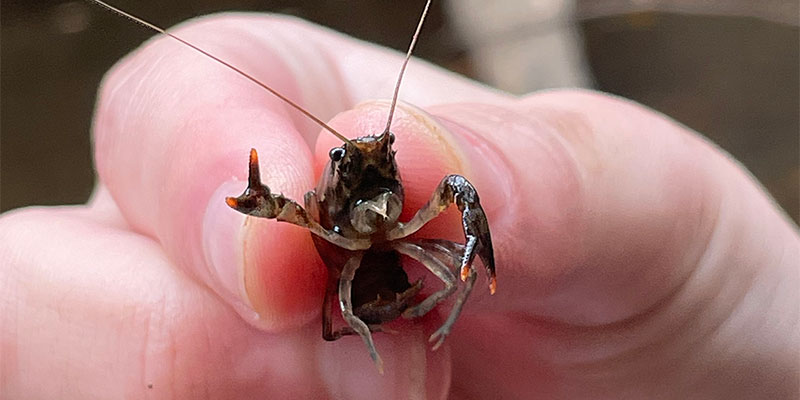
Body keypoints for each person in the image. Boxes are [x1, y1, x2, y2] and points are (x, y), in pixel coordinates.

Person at [1, 15, 797, 400]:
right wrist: (256, 203)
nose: (372, 163)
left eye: (373, 157)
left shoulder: (413, 187)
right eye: (358, 162)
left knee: (447, 258)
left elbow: (457, 198)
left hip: (407, 273)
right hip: (352, 283)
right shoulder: (326, 210)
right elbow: (283, 217)